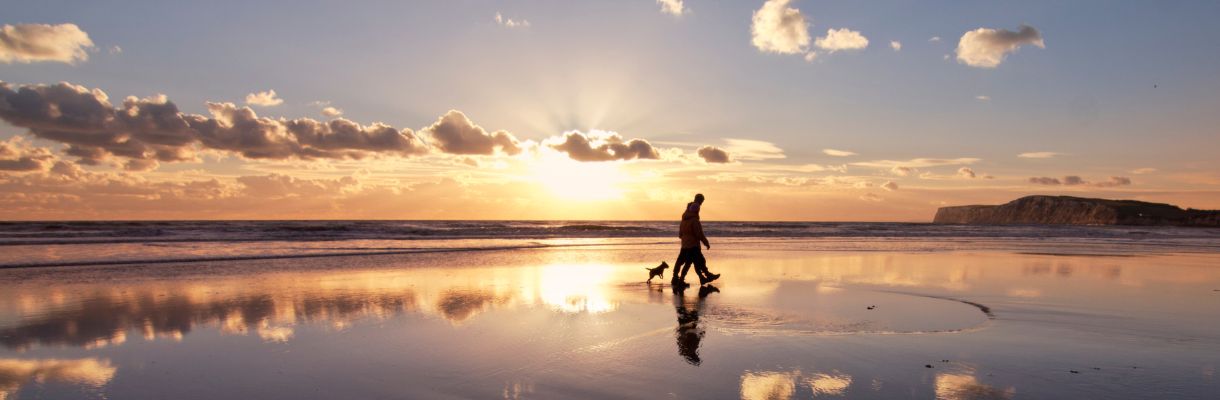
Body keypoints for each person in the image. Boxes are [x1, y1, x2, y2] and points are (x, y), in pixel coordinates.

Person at [671, 193, 720, 286]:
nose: (701, 205)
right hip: (693, 245)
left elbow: (680, 234)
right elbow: (699, 234)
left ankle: (677, 278)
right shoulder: (694, 220)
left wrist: (685, 239)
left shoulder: (684, 219)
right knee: (696, 261)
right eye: (701, 202)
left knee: (684, 261)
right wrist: (706, 242)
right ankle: (684, 280)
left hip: (685, 244)